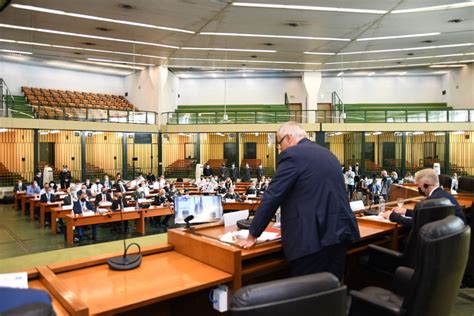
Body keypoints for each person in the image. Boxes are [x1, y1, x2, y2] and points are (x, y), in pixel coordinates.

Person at [238, 122, 360, 280]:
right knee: (331, 289)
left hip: (313, 240)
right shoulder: (328, 154)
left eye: (279, 144)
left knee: (307, 296)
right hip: (340, 233)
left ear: (288, 138)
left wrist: (253, 234)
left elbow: (273, 195)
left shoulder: (293, 155)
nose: (279, 149)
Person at [384, 168, 466, 229]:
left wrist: (392, 216)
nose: (419, 189)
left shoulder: (430, 202)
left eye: (419, 186)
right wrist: (405, 212)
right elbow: (428, 215)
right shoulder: (446, 196)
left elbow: (415, 223)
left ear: (425, 185)